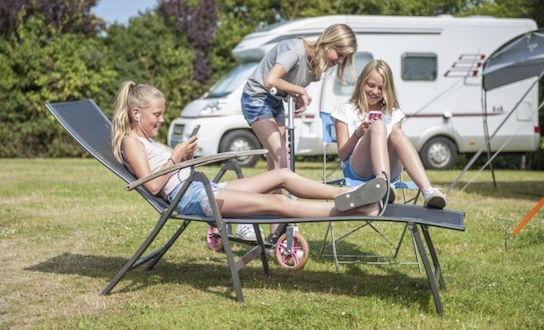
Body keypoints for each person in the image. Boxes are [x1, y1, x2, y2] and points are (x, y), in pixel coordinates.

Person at [111, 81, 386, 223]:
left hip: (206, 187)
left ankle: (347, 195)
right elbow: (153, 185)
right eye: (156, 115)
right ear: (136, 114)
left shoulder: (147, 140)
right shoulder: (131, 142)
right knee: (279, 205)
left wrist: (184, 156)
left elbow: (167, 174)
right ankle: (356, 211)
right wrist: (176, 155)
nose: (160, 120)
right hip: (195, 198)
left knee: (282, 174)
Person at [237, 23, 358, 238]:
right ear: (327, 43)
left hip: (274, 103)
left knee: (281, 165)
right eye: (339, 54)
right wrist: (300, 90)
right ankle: (242, 218)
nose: (339, 61)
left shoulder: (315, 68)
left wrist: (297, 96)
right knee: (281, 157)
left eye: (344, 58)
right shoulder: (295, 51)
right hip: (256, 98)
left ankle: (276, 228)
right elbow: (270, 80)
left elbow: (285, 86)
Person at [331, 59, 447, 209]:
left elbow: (396, 146)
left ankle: (427, 190)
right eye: (371, 85)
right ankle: (382, 185)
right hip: (358, 169)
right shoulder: (346, 110)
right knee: (377, 126)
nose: (375, 92)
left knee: (396, 133)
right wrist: (358, 134)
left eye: (381, 88)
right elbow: (343, 155)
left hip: (390, 169)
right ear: (361, 83)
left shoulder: (393, 113)